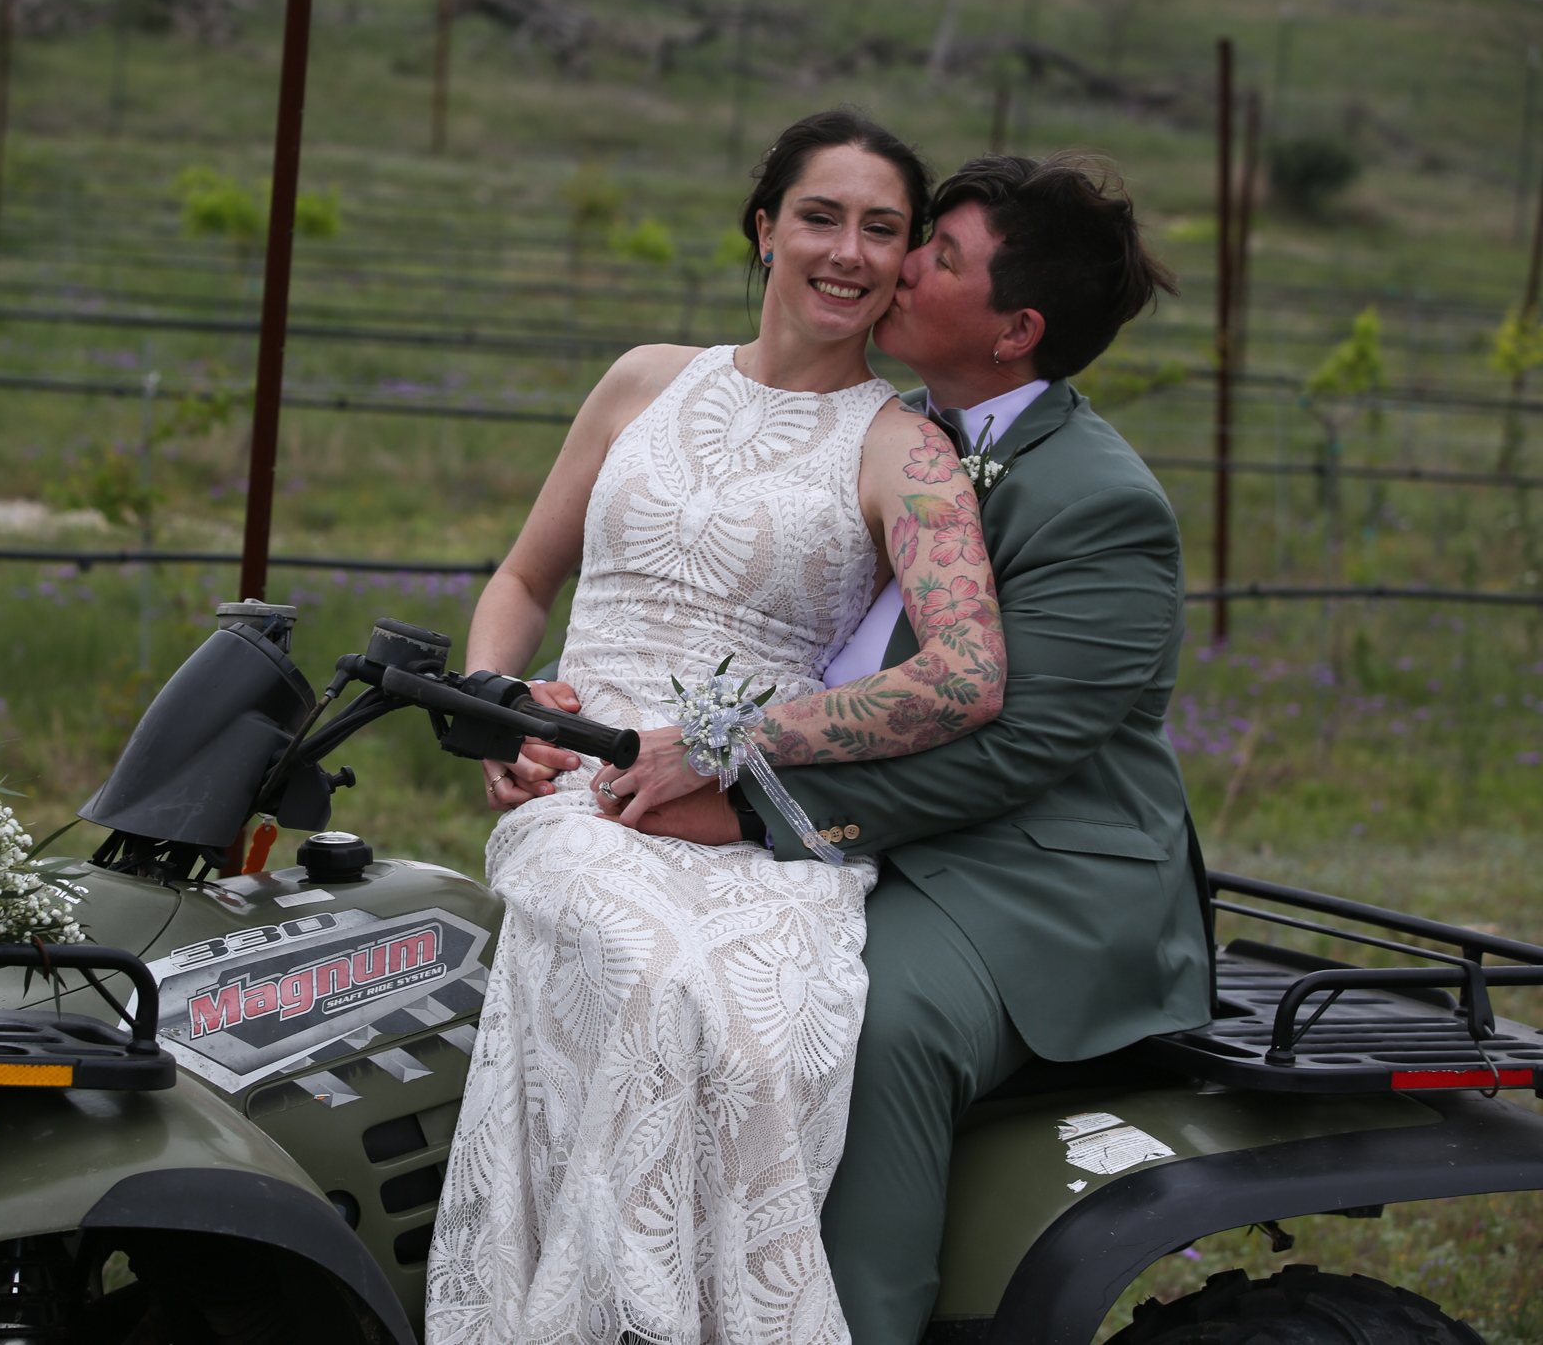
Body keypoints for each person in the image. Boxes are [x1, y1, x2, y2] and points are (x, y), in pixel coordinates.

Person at [588, 154, 1212, 1345]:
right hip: (859, 811)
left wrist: (755, 812)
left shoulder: (1100, 503)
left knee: (861, 1019)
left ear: (1013, 330)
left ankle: (857, 1321)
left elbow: (1012, 752)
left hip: (1030, 876)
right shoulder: (887, 435)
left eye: (933, 255)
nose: (893, 262)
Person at [423, 110, 1007, 1345]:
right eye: (818, 216)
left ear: (904, 259)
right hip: (583, 792)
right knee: (641, 965)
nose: (845, 251)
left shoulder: (903, 448)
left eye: (881, 229)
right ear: (763, 229)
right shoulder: (645, 379)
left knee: (751, 1026)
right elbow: (522, 581)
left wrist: (737, 742)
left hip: (750, 820)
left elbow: (965, 676)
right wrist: (497, 706)